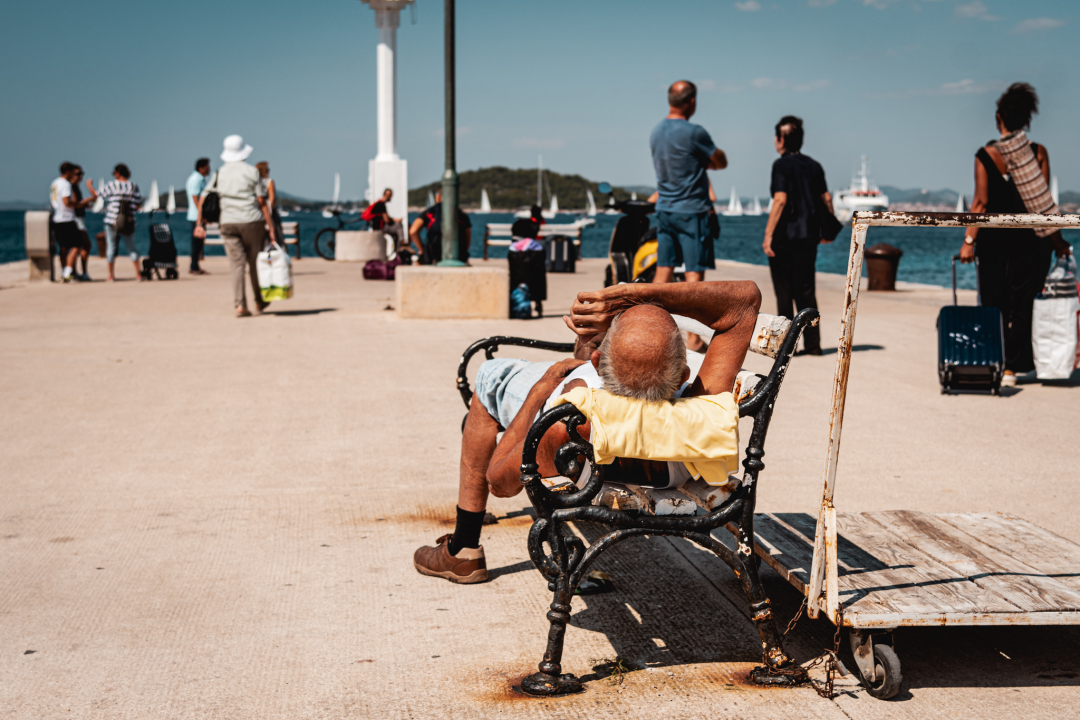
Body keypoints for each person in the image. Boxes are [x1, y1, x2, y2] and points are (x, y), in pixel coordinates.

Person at [413, 279, 762, 583]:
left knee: (490, 376)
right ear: (685, 375)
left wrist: (542, 391)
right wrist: (638, 294)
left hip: (578, 441)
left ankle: (463, 547)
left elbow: (500, 483)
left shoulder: (567, 422)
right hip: (664, 468)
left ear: (597, 361)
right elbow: (745, 300)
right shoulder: (701, 406)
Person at [958, 83, 1071, 386]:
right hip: (1031, 241)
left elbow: (980, 203)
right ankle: (1013, 367)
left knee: (993, 302)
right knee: (1023, 303)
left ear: (999, 118)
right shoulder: (1038, 152)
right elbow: (1042, 203)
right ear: (1026, 119)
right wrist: (1058, 242)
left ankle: (995, 360)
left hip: (993, 240)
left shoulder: (984, 155)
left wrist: (969, 241)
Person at [650, 80, 728, 351]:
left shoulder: (656, 131)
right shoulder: (695, 133)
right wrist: (705, 160)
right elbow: (720, 161)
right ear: (692, 102)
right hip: (691, 211)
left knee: (663, 272)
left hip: (665, 210)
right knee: (693, 278)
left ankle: (651, 330)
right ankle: (693, 339)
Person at [762, 116, 834, 356]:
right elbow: (827, 199)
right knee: (806, 291)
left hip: (784, 237)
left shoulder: (780, 166)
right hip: (808, 236)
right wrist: (827, 230)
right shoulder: (814, 166)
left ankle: (785, 347)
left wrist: (768, 235)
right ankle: (813, 345)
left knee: (784, 294)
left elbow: (780, 200)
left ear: (781, 140)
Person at [197, 135, 277, 317]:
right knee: (255, 262)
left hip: (227, 222)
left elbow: (203, 197)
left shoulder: (219, 173)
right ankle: (259, 300)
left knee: (236, 265)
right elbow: (262, 201)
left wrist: (199, 223)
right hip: (252, 220)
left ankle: (240, 305)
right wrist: (271, 228)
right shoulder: (252, 172)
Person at [96, 164, 143, 282]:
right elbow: (138, 205)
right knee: (131, 247)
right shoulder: (133, 186)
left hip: (112, 220)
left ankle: (111, 275)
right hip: (128, 220)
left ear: (118, 173)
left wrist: (89, 187)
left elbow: (98, 195)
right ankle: (138, 274)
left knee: (111, 247)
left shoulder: (112, 185)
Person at [408, 190, 472, 264]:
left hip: (433, 256)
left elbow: (413, 231)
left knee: (419, 260)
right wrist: (463, 253)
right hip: (458, 256)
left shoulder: (429, 212)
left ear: (437, 197)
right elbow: (467, 237)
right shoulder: (461, 213)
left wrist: (422, 250)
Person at [50, 162, 84, 283]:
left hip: (57, 218)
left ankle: (64, 270)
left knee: (63, 247)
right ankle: (68, 272)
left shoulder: (54, 183)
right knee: (76, 245)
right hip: (67, 218)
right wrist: (79, 204)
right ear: (68, 172)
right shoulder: (65, 184)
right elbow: (67, 202)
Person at [70, 165, 98, 281]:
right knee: (85, 245)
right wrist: (89, 189)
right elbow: (76, 203)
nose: (80, 176)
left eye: (82, 173)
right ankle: (78, 272)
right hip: (77, 219)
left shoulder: (75, 187)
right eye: (78, 174)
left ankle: (75, 272)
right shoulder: (72, 187)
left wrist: (85, 204)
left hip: (78, 218)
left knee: (78, 246)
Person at [186, 158, 212, 275]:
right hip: (196, 216)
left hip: (196, 215)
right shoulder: (197, 179)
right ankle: (194, 266)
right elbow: (195, 198)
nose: (209, 169)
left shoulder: (197, 179)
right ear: (201, 168)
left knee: (198, 242)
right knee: (197, 242)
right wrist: (201, 216)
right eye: (207, 167)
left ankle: (195, 265)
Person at [255, 161, 285, 256]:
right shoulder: (269, 181)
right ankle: (274, 260)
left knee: (260, 242)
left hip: (256, 214)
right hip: (269, 214)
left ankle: (262, 260)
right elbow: (272, 200)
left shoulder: (254, 183)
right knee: (275, 238)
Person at [366, 188, 408, 255]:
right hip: (381, 228)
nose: (390, 197)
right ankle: (400, 247)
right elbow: (386, 220)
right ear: (385, 195)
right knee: (399, 226)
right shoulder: (381, 204)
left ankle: (397, 249)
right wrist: (396, 220)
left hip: (376, 227)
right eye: (389, 195)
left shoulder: (378, 203)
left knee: (395, 230)